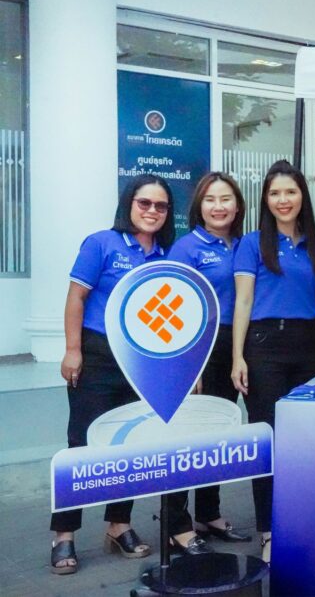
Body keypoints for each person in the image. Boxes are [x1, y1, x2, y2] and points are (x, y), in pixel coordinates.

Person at [50, 174, 175, 574]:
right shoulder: (101, 243)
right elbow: (76, 297)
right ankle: (64, 534)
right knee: (81, 443)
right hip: (97, 355)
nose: (152, 211)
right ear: (129, 204)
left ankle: (119, 525)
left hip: (141, 362)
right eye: (144, 203)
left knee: (130, 444)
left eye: (160, 205)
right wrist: (73, 350)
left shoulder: (165, 256)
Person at [232, 160, 315, 562]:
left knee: (306, 440)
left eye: (290, 192)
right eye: (274, 193)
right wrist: (238, 356)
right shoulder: (252, 244)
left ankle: (303, 522)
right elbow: (243, 301)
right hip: (264, 347)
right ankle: (270, 530)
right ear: (265, 200)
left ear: (302, 197)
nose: (283, 200)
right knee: (269, 440)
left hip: (308, 347)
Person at [165, 172, 251, 554]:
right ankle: (176, 524)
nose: (219, 207)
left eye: (226, 199)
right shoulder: (186, 248)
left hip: (235, 346)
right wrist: (191, 363)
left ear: (238, 205)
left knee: (217, 435)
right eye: (210, 199)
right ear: (199, 206)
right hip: (200, 348)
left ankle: (208, 514)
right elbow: (175, 307)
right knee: (188, 437)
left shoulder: (245, 245)